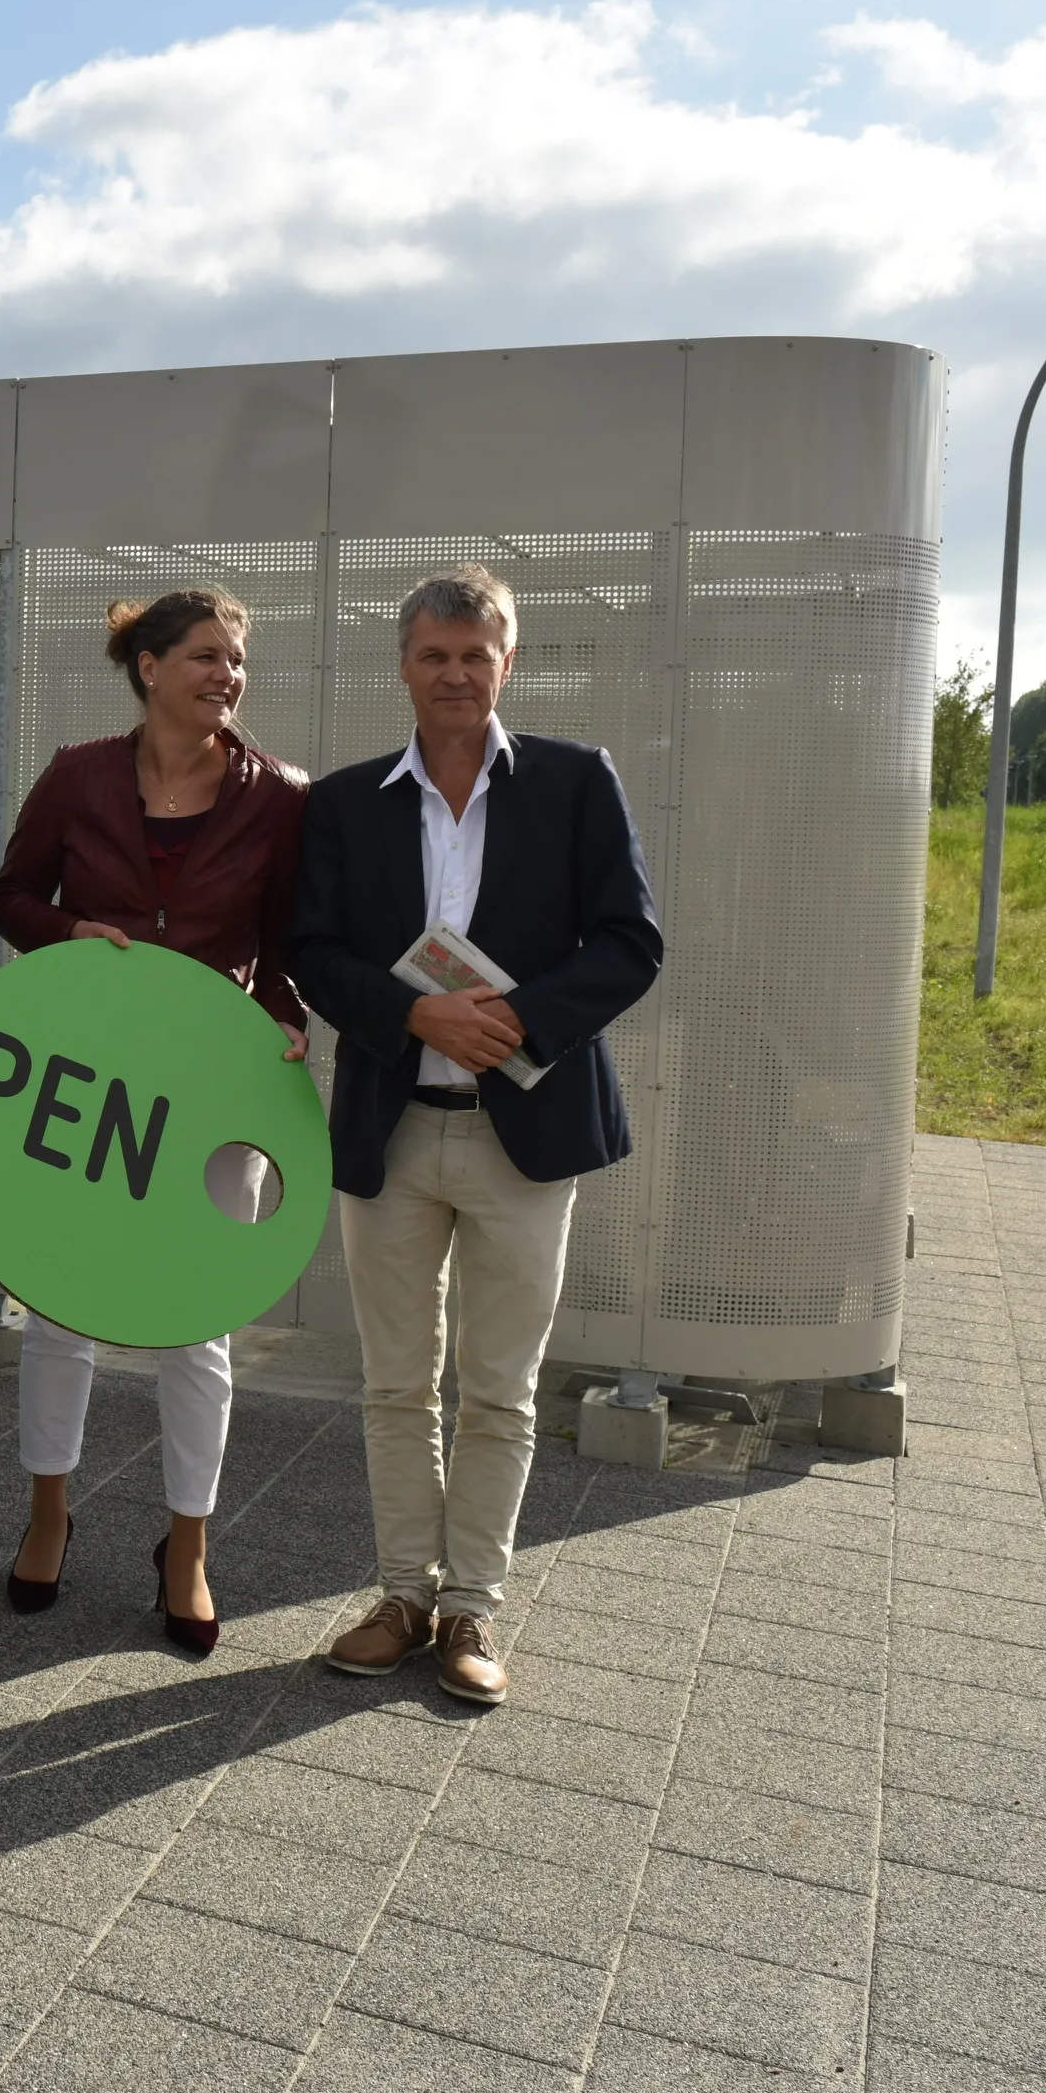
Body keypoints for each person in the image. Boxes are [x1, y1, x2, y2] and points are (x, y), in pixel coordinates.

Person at [291, 565, 662, 1706]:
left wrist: (512, 1018)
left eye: (475, 652)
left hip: (524, 1131)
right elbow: (312, 949)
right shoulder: (345, 802)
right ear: (402, 665)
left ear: (507, 660)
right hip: (392, 1128)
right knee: (396, 1382)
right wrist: (411, 1010)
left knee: (499, 1386)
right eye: (432, 654)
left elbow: (629, 941)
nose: (454, 672)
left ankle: (470, 1609)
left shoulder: (573, 782)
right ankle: (402, 1593)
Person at [0, 590, 309, 1656]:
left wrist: (284, 1015)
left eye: (236, 659)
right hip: (84, 1073)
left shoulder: (277, 799)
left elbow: (285, 941)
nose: (228, 675)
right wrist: (68, 930)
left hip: (216, 1090)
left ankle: (186, 1547)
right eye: (207, 656)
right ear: (150, 667)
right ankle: (46, 1517)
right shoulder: (77, 774)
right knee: (59, 1308)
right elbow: (11, 896)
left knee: (194, 1322)